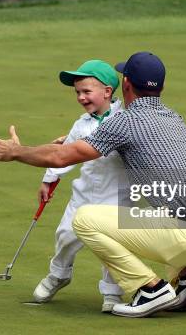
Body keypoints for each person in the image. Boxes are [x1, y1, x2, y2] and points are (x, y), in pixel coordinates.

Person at [0, 52, 186, 318]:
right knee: (154, 216)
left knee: (85, 218)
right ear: (162, 88)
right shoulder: (174, 118)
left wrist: (17, 152)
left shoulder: (125, 122)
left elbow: (61, 156)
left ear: (125, 85)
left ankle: (150, 288)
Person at [33, 59, 128, 312]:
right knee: (66, 235)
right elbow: (65, 154)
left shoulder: (125, 120)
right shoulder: (81, 124)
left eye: (86, 91)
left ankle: (112, 293)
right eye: (78, 92)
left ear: (107, 91)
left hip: (116, 197)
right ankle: (59, 274)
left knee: (112, 246)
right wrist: (49, 178)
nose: (80, 97)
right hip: (83, 195)